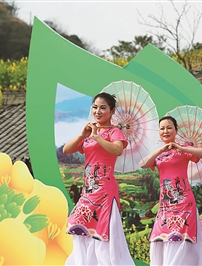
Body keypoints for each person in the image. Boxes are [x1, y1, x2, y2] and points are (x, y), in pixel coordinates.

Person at [63, 92, 134, 265]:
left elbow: (117, 150)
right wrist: (82, 135)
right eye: (95, 107)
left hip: (104, 191)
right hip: (88, 191)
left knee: (102, 235)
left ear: (112, 111)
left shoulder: (115, 132)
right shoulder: (89, 131)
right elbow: (67, 150)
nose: (98, 111)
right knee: (79, 228)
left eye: (103, 108)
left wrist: (95, 136)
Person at [140, 115, 202, 265]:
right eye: (162, 128)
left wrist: (182, 147)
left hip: (184, 202)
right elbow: (143, 164)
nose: (165, 131)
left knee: (180, 238)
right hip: (165, 205)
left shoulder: (183, 150)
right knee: (161, 238)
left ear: (176, 130)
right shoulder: (159, 154)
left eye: (169, 127)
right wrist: (160, 149)